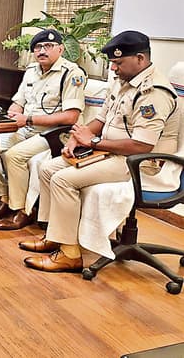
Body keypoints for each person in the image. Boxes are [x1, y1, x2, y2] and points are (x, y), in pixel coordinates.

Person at [21, 30, 179, 273]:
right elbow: (102, 120)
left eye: (118, 63)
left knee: (63, 180)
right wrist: (77, 138)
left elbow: (142, 146)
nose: (113, 68)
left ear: (140, 58)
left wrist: (93, 143)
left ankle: (69, 254)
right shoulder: (122, 82)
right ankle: (56, 236)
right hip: (112, 153)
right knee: (48, 168)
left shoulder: (154, 93)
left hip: (139, 163)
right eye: (112, 63)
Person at [0, 29, 87, 230]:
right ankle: (4, 198)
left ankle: (23, 210)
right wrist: (14, 112)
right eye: (38, 47)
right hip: (26, 128)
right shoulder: (31, 71)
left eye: (48, 46)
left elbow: (71, 117)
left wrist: (28, 119)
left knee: (14, 156)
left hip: (55, 133)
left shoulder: (72, 74)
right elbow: (18, 102)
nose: (42, 51)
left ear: (60, 49)